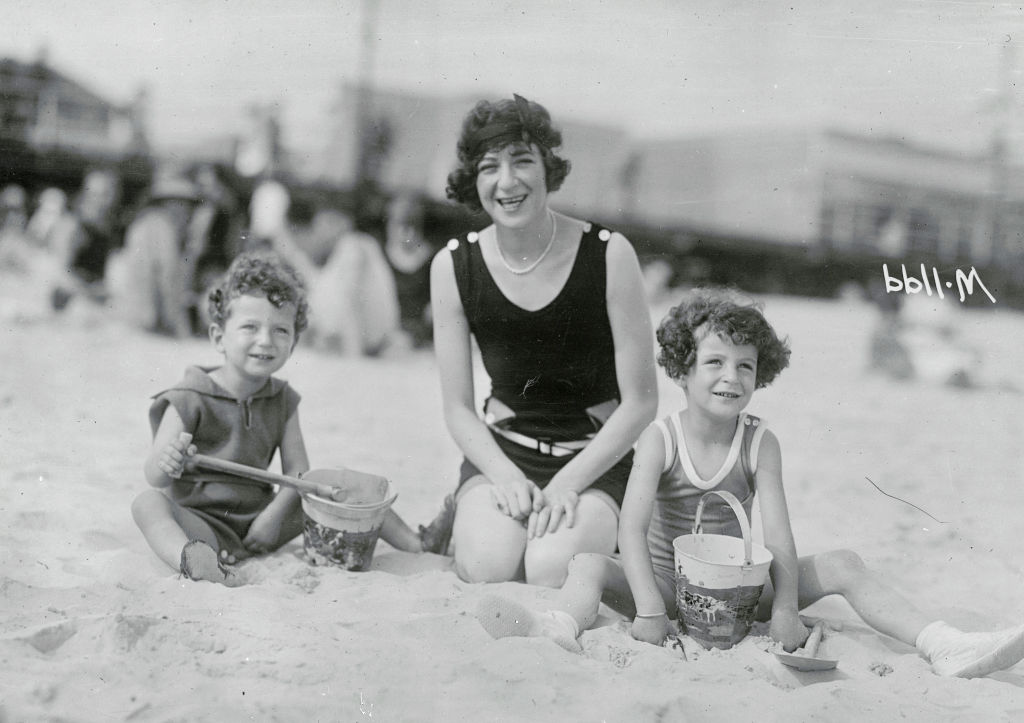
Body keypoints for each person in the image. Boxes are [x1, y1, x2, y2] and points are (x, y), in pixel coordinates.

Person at [475, 288, 1024, 678]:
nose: (731, 377)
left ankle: (943, 643)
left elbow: (778, 538)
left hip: (739, 592)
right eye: (714, 362)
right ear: (683, 370)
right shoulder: (659, 438)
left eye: (746, 366)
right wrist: (646, 604)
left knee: (843, 564)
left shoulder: (761, 441)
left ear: (761, 375)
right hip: (668, 586)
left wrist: (784, 606)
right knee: (589, 563)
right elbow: (634, 530)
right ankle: (558, 625)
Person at [431, 94, 658, 587]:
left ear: (548, 168)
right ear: (474, 180)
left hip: (594, 459)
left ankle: (620, 531)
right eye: (490, 166)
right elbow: (458, 409)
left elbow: (641, 403)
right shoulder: (453, 266)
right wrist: (505, 476)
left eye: (522, 160)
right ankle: (465, 518)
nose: (507, 182)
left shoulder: (609, 254)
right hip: (503, 455)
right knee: (490, 567)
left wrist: (567, 484)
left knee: (552, 568)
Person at [131, 252, 454, 585]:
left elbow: (299, 472)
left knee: (340, 487)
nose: (265, 341)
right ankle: (192, 558)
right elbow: (155, 475)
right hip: (203, 522)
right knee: (147, 503)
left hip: (262, 519)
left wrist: (271, 519)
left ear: (294, 343)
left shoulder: (282, 398)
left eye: (281, 331)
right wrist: (168, 460)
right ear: (218, 337)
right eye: (249, 327)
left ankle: (418, 543)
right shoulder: (189, 396)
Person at [108, 174, 204, 337]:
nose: (187, 211)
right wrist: (174, 326)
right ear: (169, 203)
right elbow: (165, 277)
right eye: (183, 204)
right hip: (147, 318)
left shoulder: (145, 223)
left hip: (132, 315)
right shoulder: (161, 227)